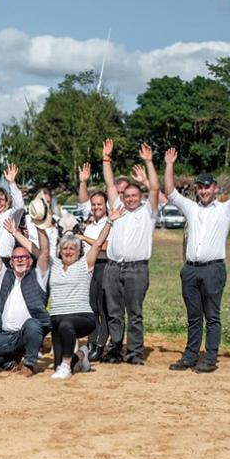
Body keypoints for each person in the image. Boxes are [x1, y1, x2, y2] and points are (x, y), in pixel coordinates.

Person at [164, 145, 230, 373]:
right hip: (191, 269)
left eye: (207, 187)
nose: (203, 191)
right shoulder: (191, 208)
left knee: (212, 317)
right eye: (200, 187)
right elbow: (170, 191)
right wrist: (169, 165)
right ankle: (190, 357)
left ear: (215, 188)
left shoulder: (225, 209)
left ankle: (209, 359)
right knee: (193, 317)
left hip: (213, 270)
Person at [100, 139, 159, 365]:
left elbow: (154, 187)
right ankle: (114, 350)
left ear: (140, 197)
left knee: (134, 314)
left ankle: (134, 352)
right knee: (114, 313)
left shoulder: (148, 213)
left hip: (137, 269)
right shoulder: (118, 208)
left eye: (134, 195)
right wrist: (107, 159)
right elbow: (109, 184)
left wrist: (149, 162)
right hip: (113, 268)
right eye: (127, 196)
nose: (130, 198)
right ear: (122, 197)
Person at [44, 204, 117, 379]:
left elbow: (99, 244)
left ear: (78, 251)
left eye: (72, 248)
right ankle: (81, 355)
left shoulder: (85, 264)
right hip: (57, 318)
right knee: (56, 363)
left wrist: (109, 222)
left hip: (83, 317)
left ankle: (67, 367)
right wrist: (18, 233)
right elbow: (39, 250)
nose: (68, 251)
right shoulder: (53, 265)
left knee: (67, 325)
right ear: (60, 251)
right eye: (65, 248)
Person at [0, 217, 50, 376]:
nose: (20, 260)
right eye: (16, 257)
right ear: (11, 262)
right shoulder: (5, 276)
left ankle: (29, 364)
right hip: (5, 334)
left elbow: (44, 253)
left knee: (33, 324)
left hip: (27, 334)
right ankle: (12, 363)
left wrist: (41, 227)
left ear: (30, 262)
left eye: (24, 257)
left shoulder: (39, 276)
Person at [76, 163, 111, 362]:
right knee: (91, 308)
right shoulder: (90, 221)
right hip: (88, 268)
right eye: (94, 204)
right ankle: (91, 341)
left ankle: (100, 344)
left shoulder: (111, 222)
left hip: (104, 266)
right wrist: (83, 181)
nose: (96, 207)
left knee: (103, 308)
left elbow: (105, 246)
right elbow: (82, 201)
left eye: (100, 204)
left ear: (105, 205)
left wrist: (84, 238)